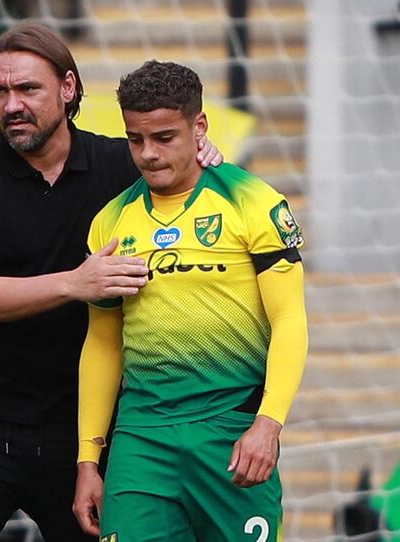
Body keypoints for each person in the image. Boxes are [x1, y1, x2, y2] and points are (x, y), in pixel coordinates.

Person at [0, 24, 222, 542]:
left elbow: (188, 183)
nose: (11, 104)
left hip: (82, 429)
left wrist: (201, 157)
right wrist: (73, 283)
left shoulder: (120, 165)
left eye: (28, 89)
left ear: (68, 88)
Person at [73, 60, 308, 541]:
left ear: (199, 126)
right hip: (142, 440)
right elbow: (102, 343)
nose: (148, 154)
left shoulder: (254, 201)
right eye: (135, 139)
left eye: (164, 138)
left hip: (230, 433)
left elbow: (290, 321)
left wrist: (268, 424)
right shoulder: (110, 224)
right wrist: (88, 460)